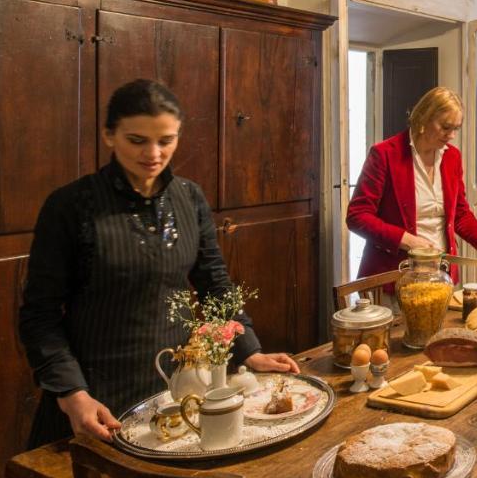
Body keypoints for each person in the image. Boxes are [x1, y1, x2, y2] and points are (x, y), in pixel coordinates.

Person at [19, 79, 299, 448]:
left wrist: (250, 350)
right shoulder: (71, 206)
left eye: (166, 141)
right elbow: (39, 316)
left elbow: (214, 283)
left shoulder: (189, 197)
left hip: (176, 393)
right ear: (109, 136)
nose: (153, 152)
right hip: (94, 401)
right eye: (137, 140)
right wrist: (71, 392)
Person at [347, 86, 477, 281]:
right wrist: (408, 241)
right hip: (394, 274)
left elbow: (460, 214)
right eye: (445, 127)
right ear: (424, 118)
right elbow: (357, 217)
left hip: (441, 273)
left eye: (456, 129)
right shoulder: (385, 154)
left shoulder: (452, 157)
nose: (451, 135)